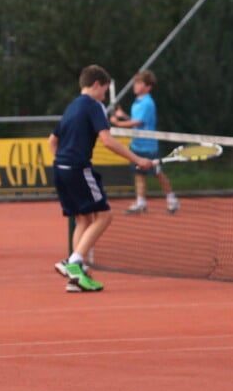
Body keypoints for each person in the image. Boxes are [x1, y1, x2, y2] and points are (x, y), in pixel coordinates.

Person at [48, 66, 156, 293]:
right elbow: (107, 140)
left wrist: (64, 161)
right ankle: (74, 262)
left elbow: (52, 141)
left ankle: (76, 278)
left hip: (60, 169)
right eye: (105, 91)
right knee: (104, 216)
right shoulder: (94, 106)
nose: (104, 97)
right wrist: (137, 159)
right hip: (78, 168)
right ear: (96, 84)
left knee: (83, 220)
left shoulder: (72, 106)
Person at [109, 70, 178, 215]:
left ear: (148, 87)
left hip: (149, 146)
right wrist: (123, 116)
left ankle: (172, 200)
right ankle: (141, 203)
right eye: (135, 82)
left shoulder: (147, 102)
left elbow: (139, 122)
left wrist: (117, 123)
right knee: (138, 174)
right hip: (136, 144)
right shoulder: (138, 101)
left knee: (157, 173)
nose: (135, 85)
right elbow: (137, 122)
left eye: (139, 83)